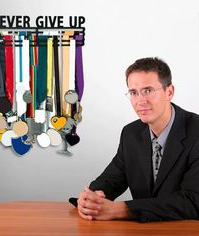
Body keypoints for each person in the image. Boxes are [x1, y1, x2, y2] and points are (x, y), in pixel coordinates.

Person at [76, 57, 199, 222]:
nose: (140, 101)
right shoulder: (131, 133)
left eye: (148, 90)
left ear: (169, 92)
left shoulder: (196, 132)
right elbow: (112, 179)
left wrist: (123, 209)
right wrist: (91, 198)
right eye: (134, 92)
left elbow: (193, 202)